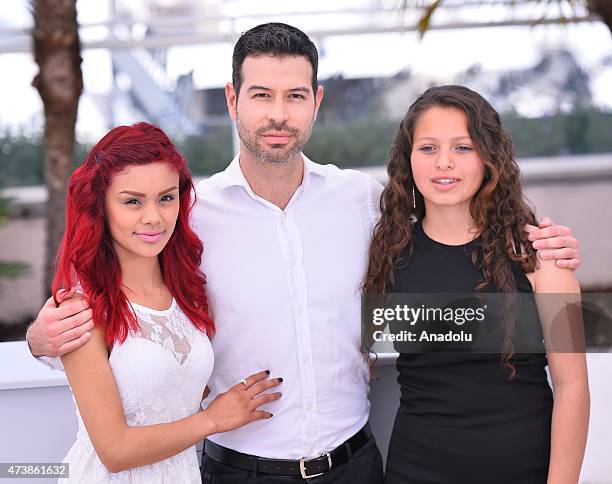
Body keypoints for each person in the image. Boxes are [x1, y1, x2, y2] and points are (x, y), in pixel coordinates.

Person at [26, 24, 582, 483]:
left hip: (356, 466)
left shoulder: (364, 204)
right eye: (261, 95)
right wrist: (40, 338)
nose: (278, 115)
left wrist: (543, 246)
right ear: (232, 99)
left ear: (316, 102)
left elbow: (456, 238)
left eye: (295, 96)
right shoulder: (183, 217)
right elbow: (123, 301)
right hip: (239, 471)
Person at [364, 85, 589, 484]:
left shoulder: (539, 254)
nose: (443, 163)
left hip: (522, 471)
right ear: (408, 159)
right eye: (428, 148)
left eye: (463, 148)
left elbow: (572, 387)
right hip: (414, 471)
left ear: (488, 157)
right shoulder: (387, 253)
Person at [52, 122, 281, 483]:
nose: (153, 217)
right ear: (100, 206)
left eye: (166, 197)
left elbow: (178, 386)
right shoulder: (82, 309)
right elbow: (114, 451)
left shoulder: (187, 290)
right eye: (132, 201)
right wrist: (215, 419)